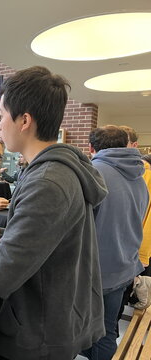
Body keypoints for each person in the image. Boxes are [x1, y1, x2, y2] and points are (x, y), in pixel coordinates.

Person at [0, 66, 108, 360]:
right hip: (54, 322)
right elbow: (57, 237)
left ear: (24, 120)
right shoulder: (57, 171)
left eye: (2, 114)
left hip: (39, 334)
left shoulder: (47, 181)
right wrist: (3, 233)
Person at [82, 125, 148, 359]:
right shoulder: (140, 176)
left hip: (95, 272)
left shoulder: (93, 173)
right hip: (123, 267)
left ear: (91, 148)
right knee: (107, 331)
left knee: (82, 333)